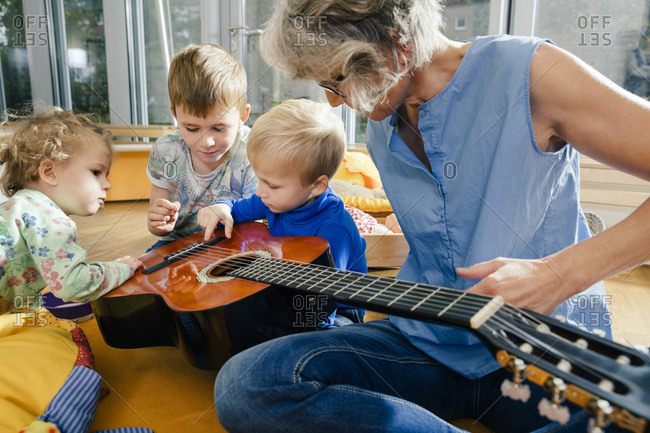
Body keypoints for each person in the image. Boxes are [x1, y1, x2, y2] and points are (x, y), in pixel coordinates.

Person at [213, 1, 650, 432]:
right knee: (246, 385)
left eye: (338, 79)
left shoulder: (530, 72)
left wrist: (558, 274)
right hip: (424, 342)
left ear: (396, 44)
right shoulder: (383, 121)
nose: (333, 100)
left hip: (541, 351)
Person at [197, 98, 366, 327]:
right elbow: (236, 210)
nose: (260, 191)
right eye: (260, 180)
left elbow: (323, 303)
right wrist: (221, 208)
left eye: (272, 185)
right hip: (287, 285)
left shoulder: (334, 230)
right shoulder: (273, 199)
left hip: (337, 312)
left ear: (317, 186)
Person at [0, 107, 142, 315]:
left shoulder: (19, 207)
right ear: (49, 172)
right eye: (96, 172)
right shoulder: (50, 219)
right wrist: (119, 271)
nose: (107, 185)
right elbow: (71, 284)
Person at [146, 43, 257, 251]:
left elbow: (259, 217)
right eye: (192, 129)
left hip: (236, 244)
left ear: (242, 116)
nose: (207, 142)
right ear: (175, 114)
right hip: (177, 243)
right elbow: (158, 228)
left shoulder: (252, 149)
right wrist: (159, 223)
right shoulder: (165, 150)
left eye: (219, 128)